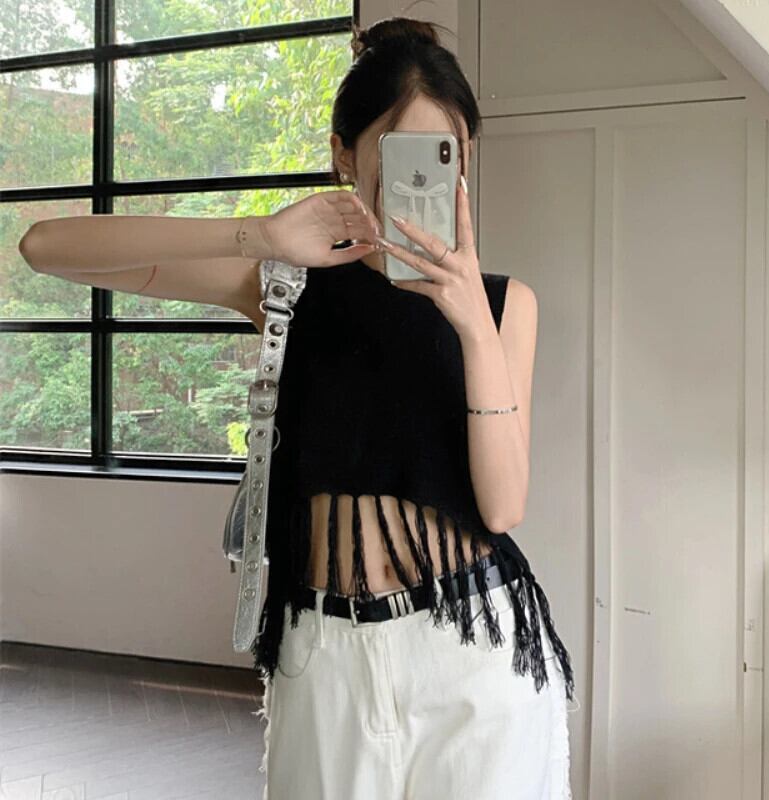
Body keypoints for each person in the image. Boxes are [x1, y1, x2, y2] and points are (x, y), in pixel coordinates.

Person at [18, 15, 578, 800]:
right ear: (344, 155)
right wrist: (260, 235)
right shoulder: (286, 284)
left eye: (445, 151)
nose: (421, 179)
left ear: (466, 156)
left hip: (470, 651)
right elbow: (46, 247)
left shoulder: (505, 305)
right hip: (324, 653)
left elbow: (504, 505)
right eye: (397, 151)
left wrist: (472, 328)